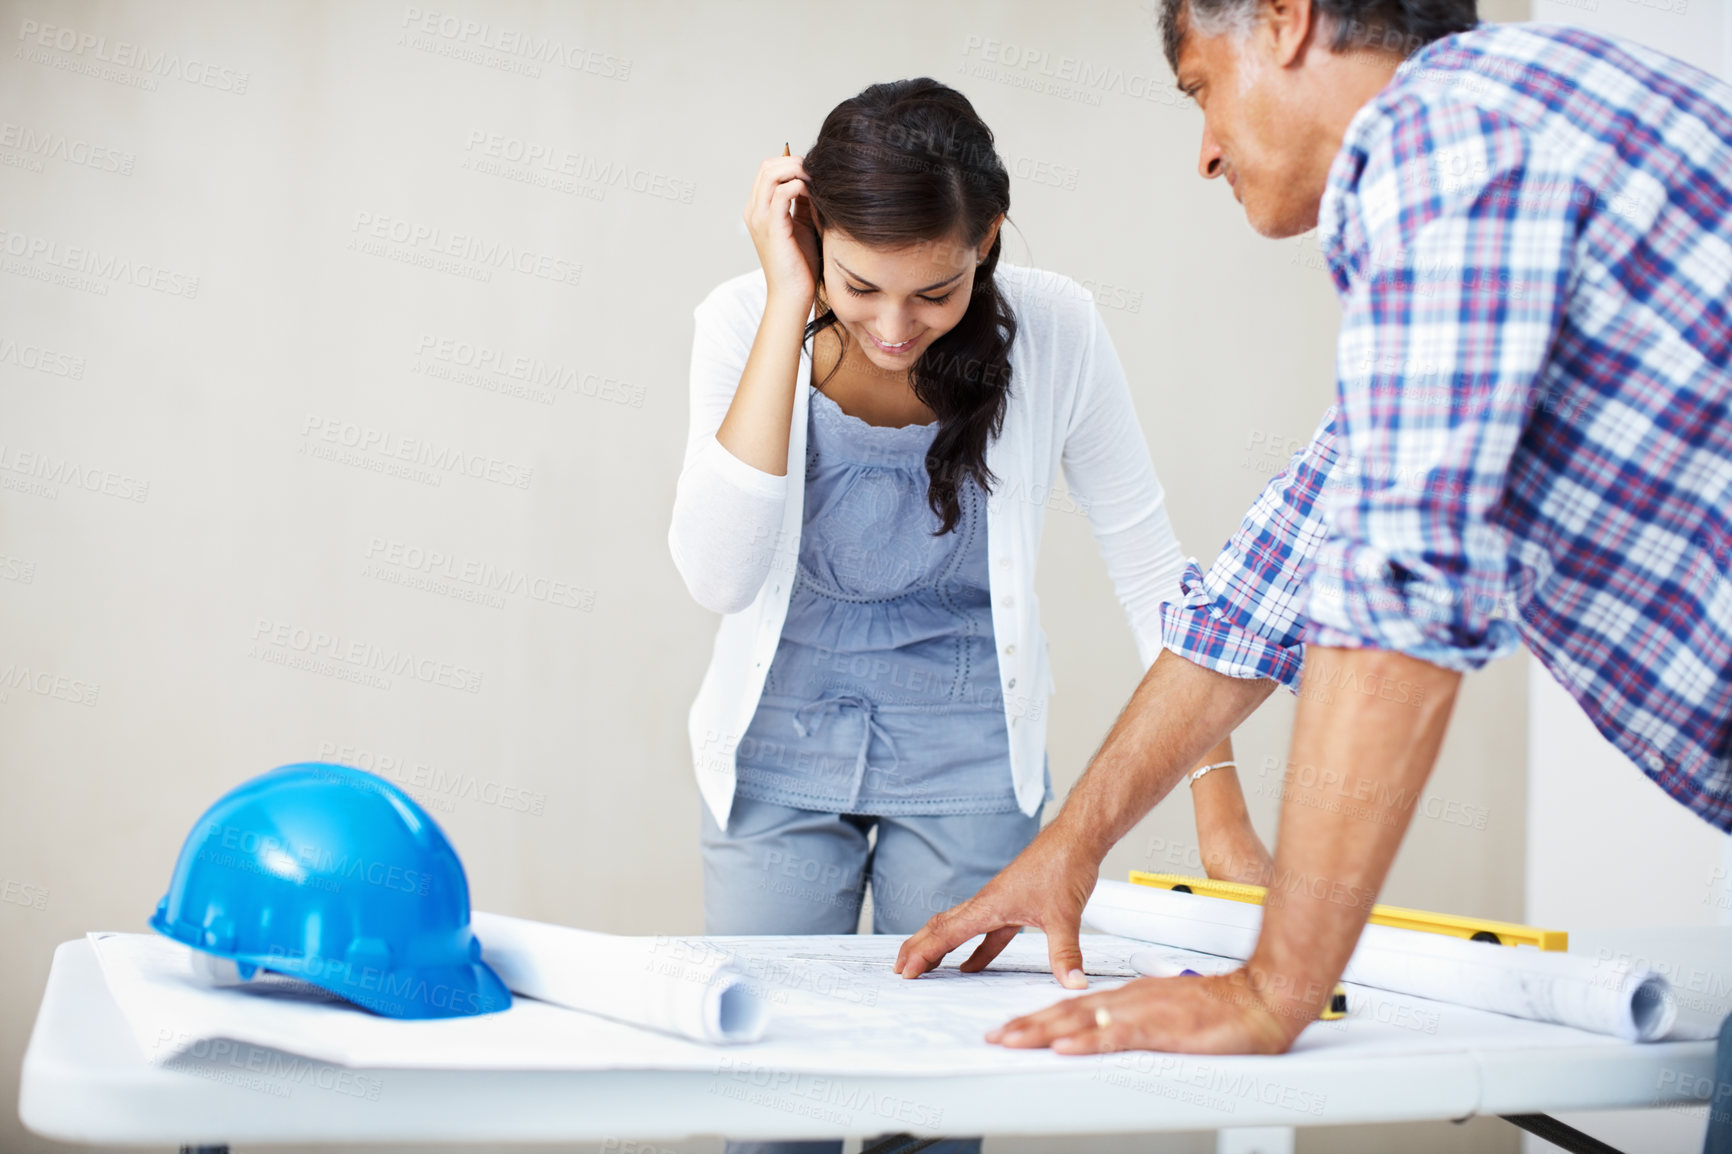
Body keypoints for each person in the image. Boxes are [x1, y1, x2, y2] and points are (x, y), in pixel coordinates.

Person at [894, 0, 1732, 1109]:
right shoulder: (1528, 119)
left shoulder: (1447, 139)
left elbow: (1399, 589)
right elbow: (1269, 583)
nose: (1203, 150)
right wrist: (1070, 849)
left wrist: (1270, 989)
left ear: (1284, 21)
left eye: (1199, 87)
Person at [668, 77, 1264, 1154]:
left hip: (969, 764)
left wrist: (1220, 814)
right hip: (774, 760)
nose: (895, 328)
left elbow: (1151, 567)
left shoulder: (1057, 330)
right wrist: (782, 306)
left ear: (986, 240)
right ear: (810, 235)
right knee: (769, 1111)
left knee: (937, 1109)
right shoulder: (735, 319)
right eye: (858, 285)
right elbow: (716, 572)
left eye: (934, 293)